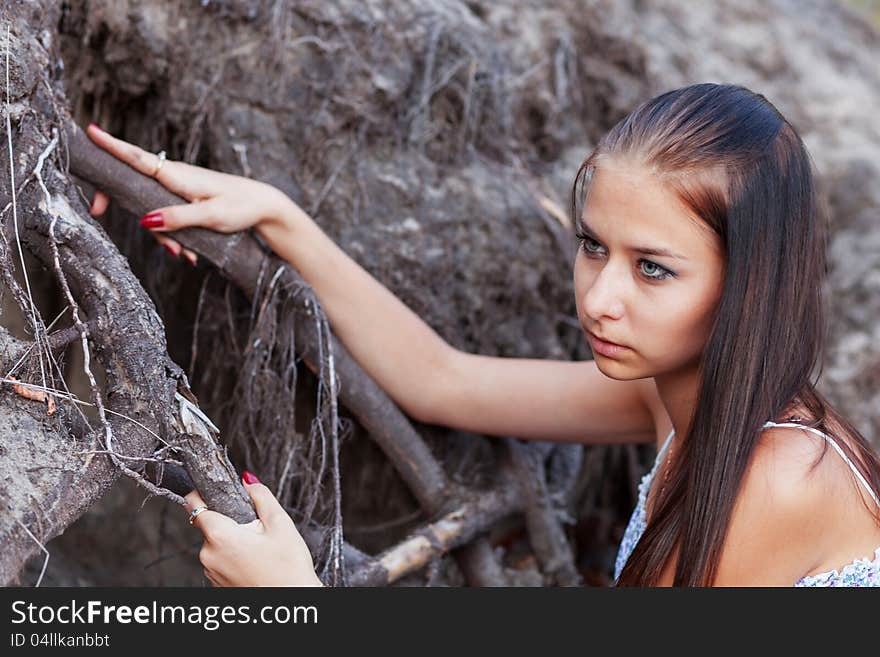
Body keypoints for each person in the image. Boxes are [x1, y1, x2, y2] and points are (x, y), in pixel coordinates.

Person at [86, 83, 880, 587]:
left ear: (749, 282)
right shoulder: (681, 397)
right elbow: (443, 381)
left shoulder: (775, 478)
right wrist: (279, 217)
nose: (601, 298)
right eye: (594, 245)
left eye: (654, 269)